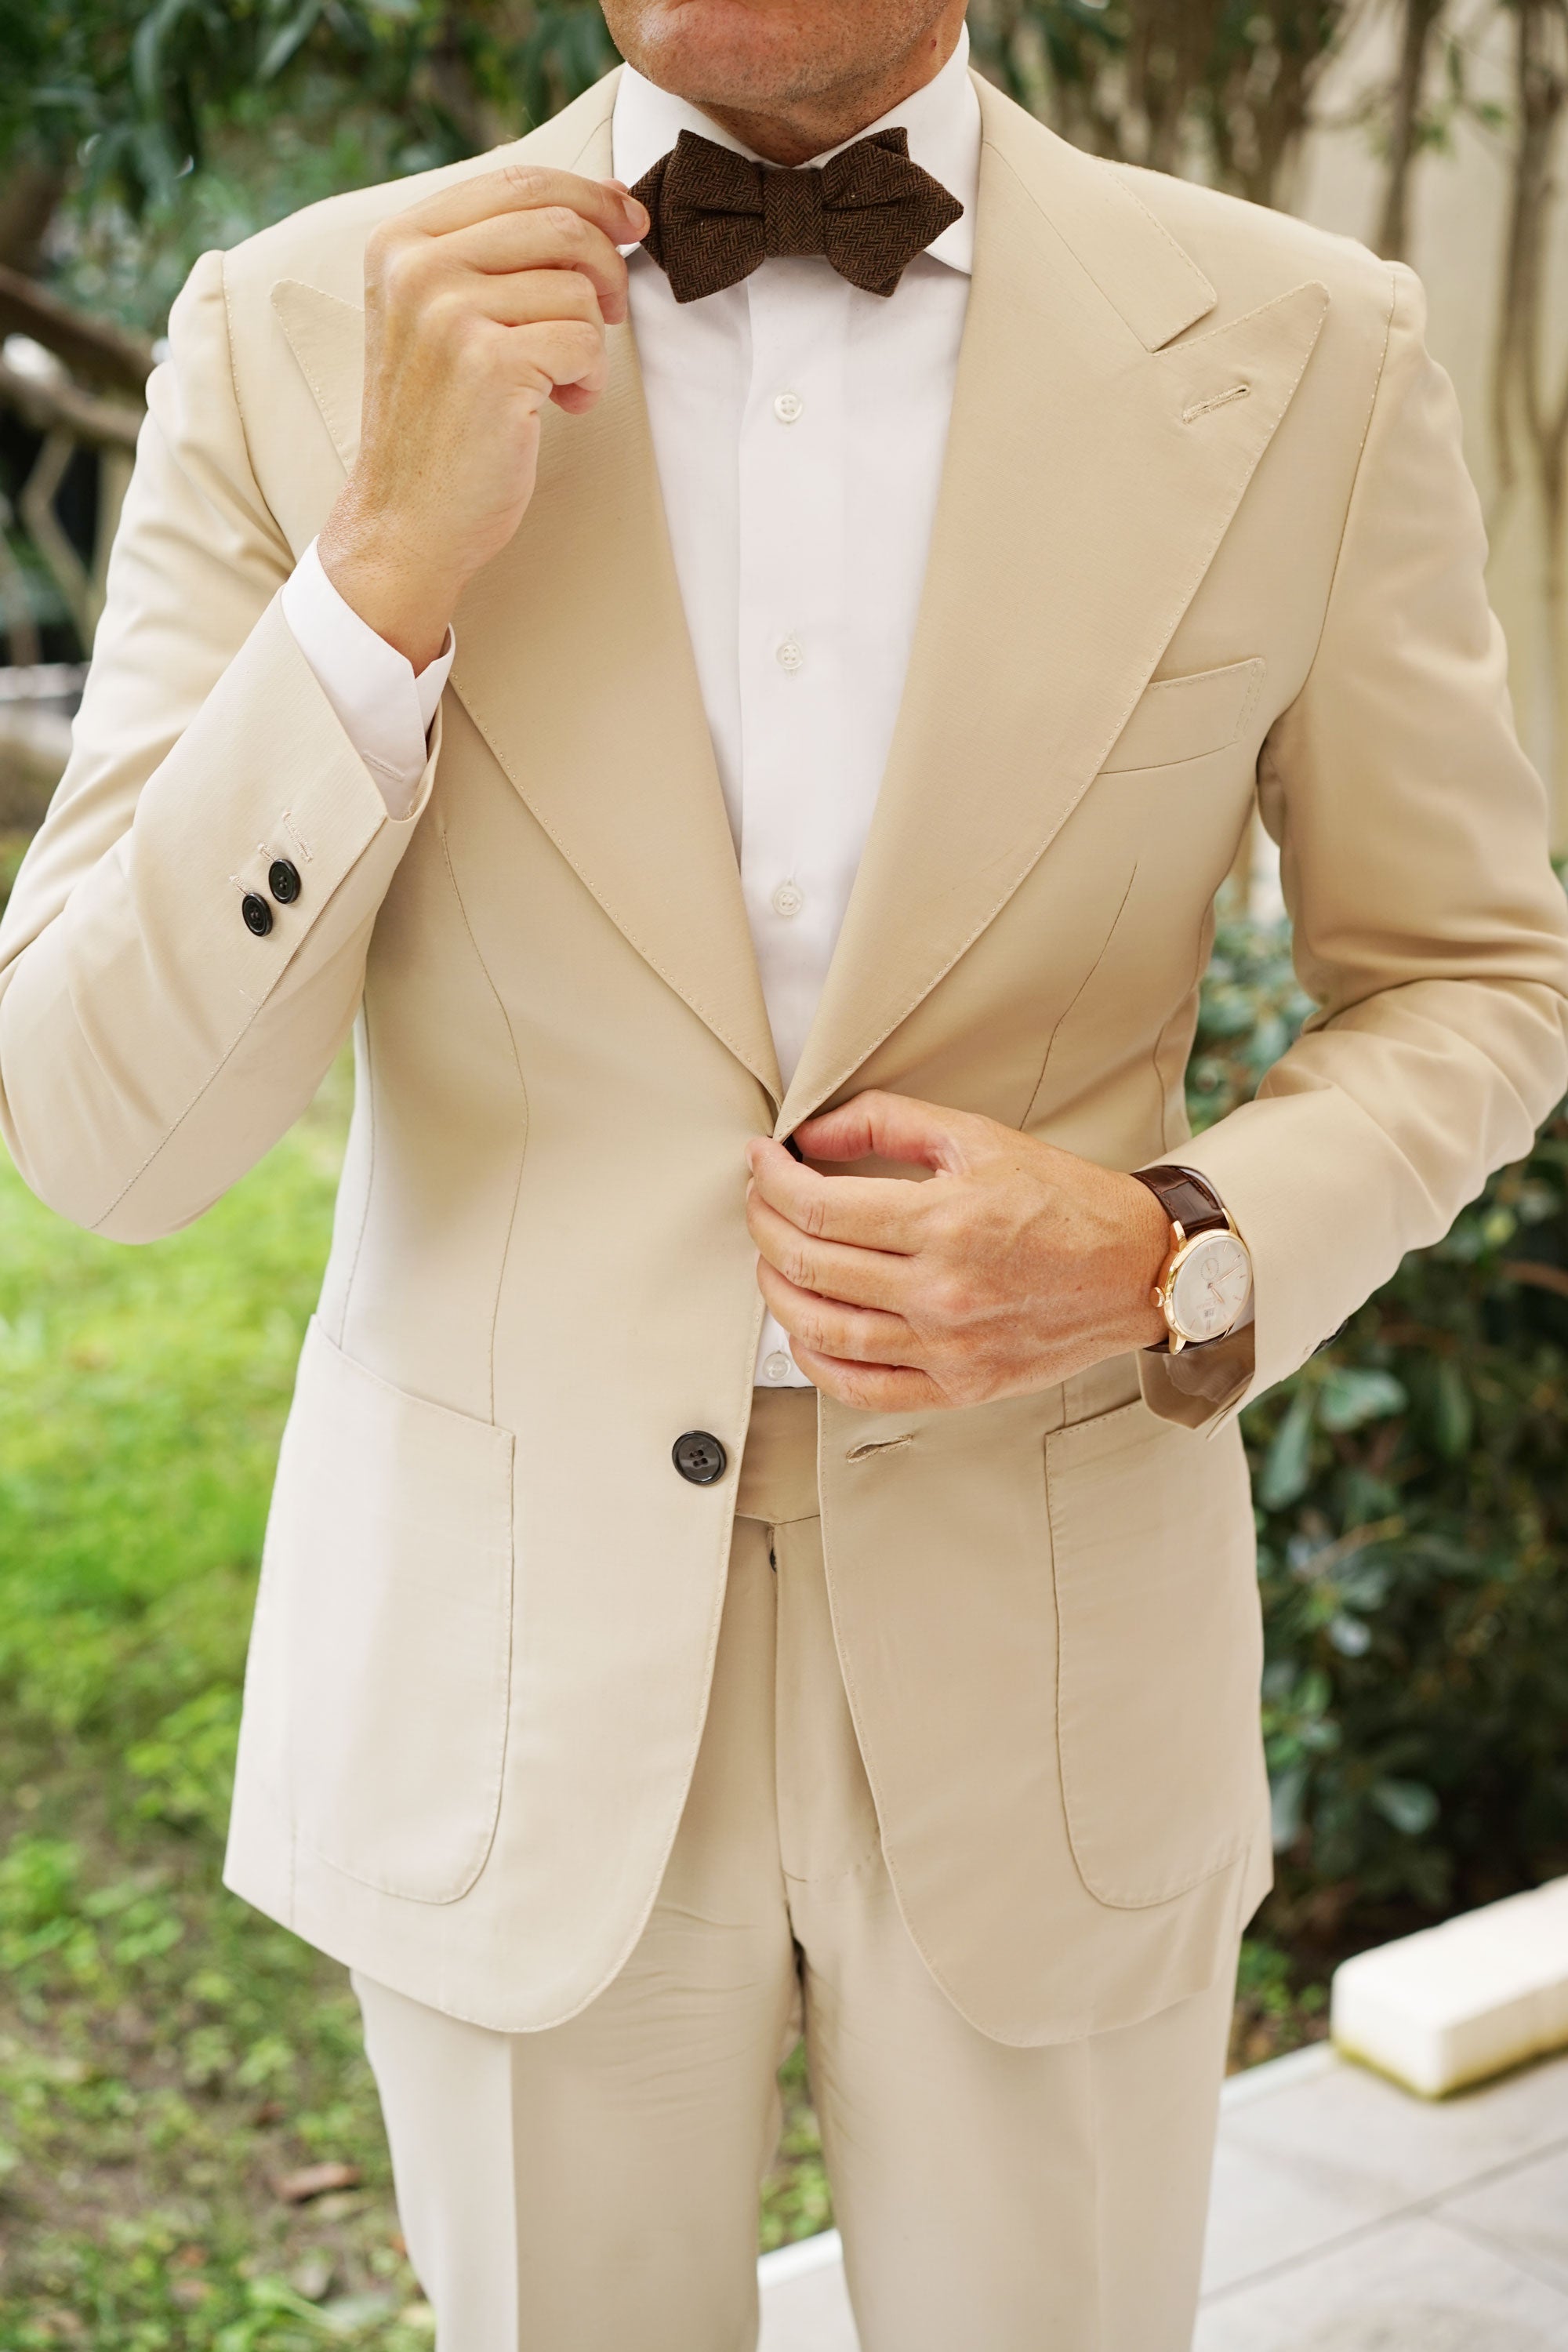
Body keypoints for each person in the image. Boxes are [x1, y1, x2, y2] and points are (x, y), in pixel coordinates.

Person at [2, 0, 1566, 2343]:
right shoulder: (304, 328)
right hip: (506, 1668)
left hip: (1054, 1645)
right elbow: (101, 1135)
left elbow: (1475, 982)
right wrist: (376, 582)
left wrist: (1177, 1249)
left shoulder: (1305, 345)